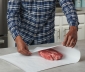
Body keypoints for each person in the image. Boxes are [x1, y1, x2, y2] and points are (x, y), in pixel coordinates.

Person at [7, 0, 79, 56]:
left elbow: (68, 5)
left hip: (47, 40)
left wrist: (73, 28)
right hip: (22, 40)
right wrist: (17, 38)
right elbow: (12, 16)